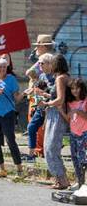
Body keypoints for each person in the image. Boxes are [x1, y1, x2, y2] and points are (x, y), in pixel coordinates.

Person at [41, 53, 72, 190]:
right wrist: (47, 96)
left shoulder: (59, 78)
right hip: (59, 113)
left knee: (50, 148)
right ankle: (62, 179)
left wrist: (47, 104)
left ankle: (61, 180)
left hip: (57, 114)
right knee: (51, 147)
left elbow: (60, 99)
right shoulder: (66, 77)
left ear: (56, 65)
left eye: (52, 63)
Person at [24, 35, 57, 157]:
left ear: (44, 46)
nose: (36, 47)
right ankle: (36, 151)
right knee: (33, 125)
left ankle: (40, 150)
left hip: (46, 102)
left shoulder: (46, 60)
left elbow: (29, 72)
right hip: (38, 97)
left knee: (41, 126)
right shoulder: (41, 59)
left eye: (38, 45)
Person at [67, 78, 87, 189]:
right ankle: (79, 182)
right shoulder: (70, 102)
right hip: (73, 134)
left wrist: (78, 112)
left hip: (84, 134)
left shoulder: (85, 101)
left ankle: (83, 183)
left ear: (82, 88)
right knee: (74, 158)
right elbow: (68, 118)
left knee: (82, 159)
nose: (75, 91)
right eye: (72, 88)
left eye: (77, 88)